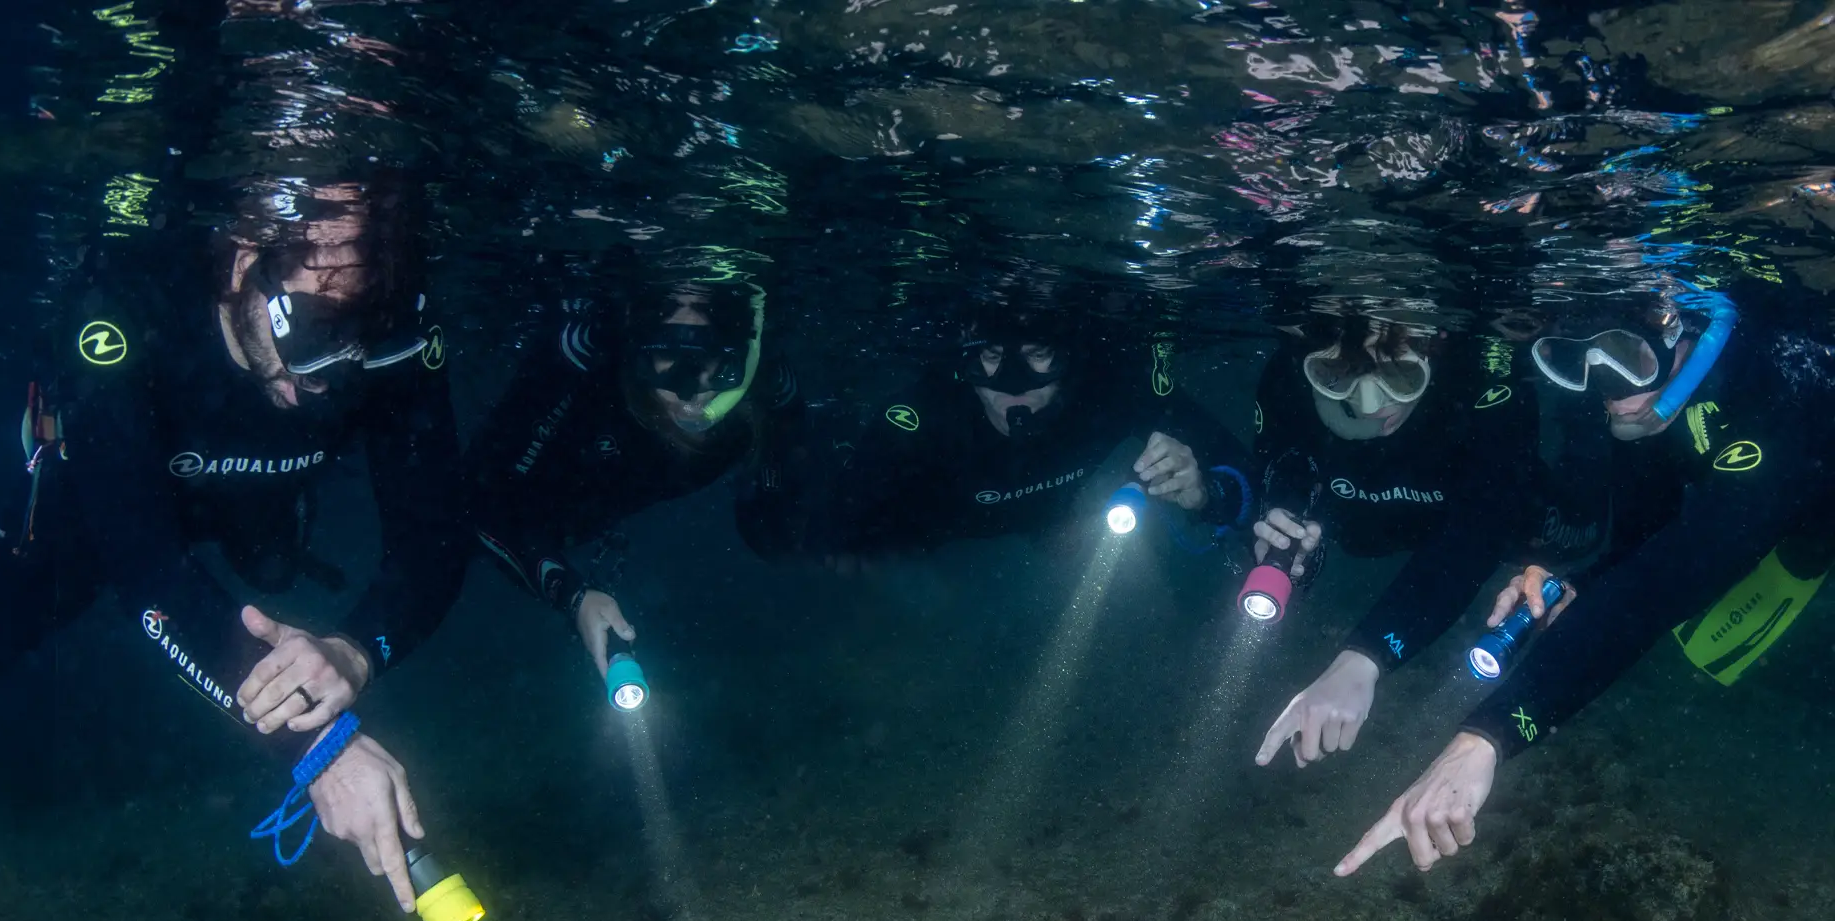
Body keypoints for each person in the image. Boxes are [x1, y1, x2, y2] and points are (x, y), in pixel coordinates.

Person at [0, 179, 466, 910]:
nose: (334, 374)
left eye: (361, 337)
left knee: (274, 564)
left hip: (258, 492)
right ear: (242, 258)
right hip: (105, 499)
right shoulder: (126, 310)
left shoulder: (390, 321)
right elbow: (148, 570)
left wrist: (355, 650)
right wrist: (320, 750)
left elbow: (435, 537)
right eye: (316, 331)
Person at [1335, 291, 1835, 875]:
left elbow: (1660, 587)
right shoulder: (1642, 410)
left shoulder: (1788, 395)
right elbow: (1643, 542)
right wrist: (1578, 584)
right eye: (1577, 361)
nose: (1611, 388)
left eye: (1628, 356)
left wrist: (1487, 737)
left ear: (1689, 329)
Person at [467, 280, 802, 681]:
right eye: (667, 347)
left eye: (710, 347)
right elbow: (482, 504)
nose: (689, 384)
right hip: (546, 512)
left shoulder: (764, 396)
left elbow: (777, 516)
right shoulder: (589, 369)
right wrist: (573, 596)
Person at [739, 306, 1252, 564]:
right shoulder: (924, 415)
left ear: (1069, 355)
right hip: (930, 526)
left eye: (1037, 356)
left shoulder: (1110, 386)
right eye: (990, 357)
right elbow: (776, 534)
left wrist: (1204, 491)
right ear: (964, 361)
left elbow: (1248, 485)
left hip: (1046, 520)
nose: (1013, 386)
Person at [1250, 315, 1537, 768]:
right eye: (1340, 372)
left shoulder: (1481, 386)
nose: (1370, 403)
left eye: (1400, 374)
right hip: (1358, 529)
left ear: (1435, 347)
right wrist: (1285, 538)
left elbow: (1475, 536)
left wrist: (1365, 658)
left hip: (1443, 529)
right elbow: (1281, 472)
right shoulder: (1289, 382)